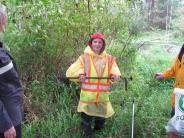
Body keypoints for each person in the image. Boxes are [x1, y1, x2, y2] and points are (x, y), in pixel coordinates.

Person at [66, 32, 121, 137]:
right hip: (88, 96)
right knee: (86, 119)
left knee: (101, 119)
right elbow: (71, 71)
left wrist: (115, 75)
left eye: (100, 42)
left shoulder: (109, 58)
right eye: (95, 42)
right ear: (91, 43)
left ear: (103, 44)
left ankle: (98, 132)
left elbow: (115, 70)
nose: (97, 44)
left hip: (102, 95)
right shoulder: (84, 58)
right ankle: (87, 134)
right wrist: (80, 74)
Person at [0, 5, 23, 138]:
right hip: (7, 122)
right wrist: (6, 124)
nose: (4, 27)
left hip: (12, 114)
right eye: (3, 22)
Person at [155, 44, 184, 138]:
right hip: (179, 97)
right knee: (174, 129)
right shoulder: (182, 50)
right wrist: (164, 75)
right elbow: (174, 68)